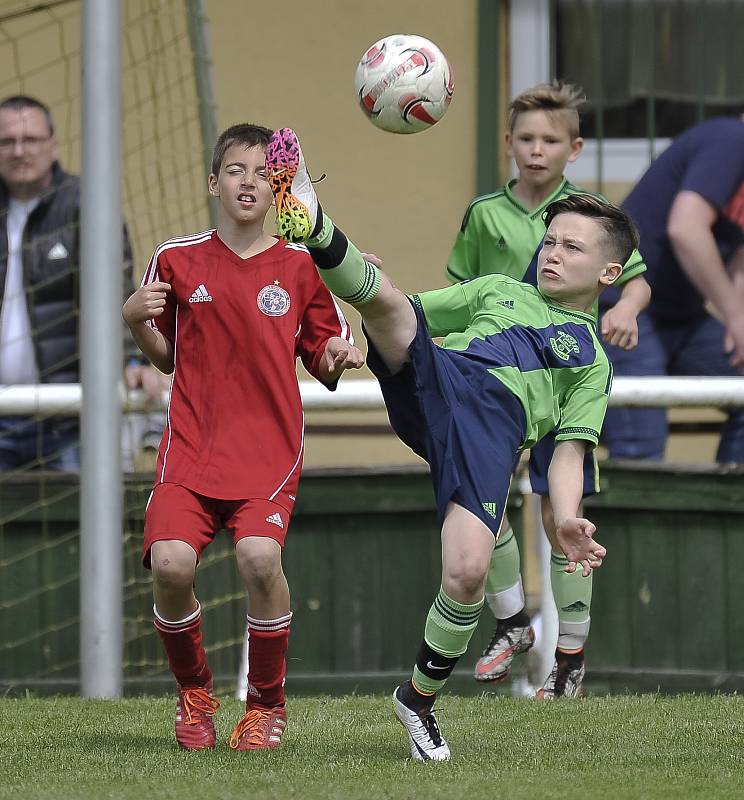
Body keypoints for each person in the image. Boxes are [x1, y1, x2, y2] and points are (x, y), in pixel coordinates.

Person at [265, 127, 636, 760]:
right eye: (548, 241)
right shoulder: (500, 291)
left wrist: (569, 517)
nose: (551, 253)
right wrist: (366, 318)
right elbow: (412, 308)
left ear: (607, 271)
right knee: (384, 304)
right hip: (445, 383)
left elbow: (571, 450)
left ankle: (417, 700)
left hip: (490, 436)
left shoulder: (592, 361)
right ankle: (309, 218)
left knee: (465, 574)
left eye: (570, 247)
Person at [122, 123, 363, 752]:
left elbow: (324, 358)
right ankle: (195, 693)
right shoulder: (176, 259)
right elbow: (165, 357)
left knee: (260, 560)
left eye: (263, 172)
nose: (249, 182)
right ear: (213, 183)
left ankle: (265, 704)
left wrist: (339, 352)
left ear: (281, 188)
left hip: (267, 452)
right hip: (191, 450)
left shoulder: (302, 265)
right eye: (236, 170)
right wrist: (135, 322)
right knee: (170, 566)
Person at [446, 83, 650, 696]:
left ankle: (570, 660)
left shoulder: (587, 215)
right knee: (484, 499)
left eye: (550, 140)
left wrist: (629, 310)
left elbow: (635, 281)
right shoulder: (485, 213)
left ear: (575, 148)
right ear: (508, 144)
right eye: (526, 139)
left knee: (563, 514)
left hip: (566, 375)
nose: (537, 151)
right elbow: (458, 292)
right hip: (502, 380)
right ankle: (512, 623)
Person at [0, 94, 156, 471]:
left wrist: (132, 359)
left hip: (69, 415)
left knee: (83, 523)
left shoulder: (86, 203)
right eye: (7, 142)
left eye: (31, 140)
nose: (19, 151)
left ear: (53, 145)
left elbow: (114, 294)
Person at [601, 115, 744, 461]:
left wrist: (739, 324)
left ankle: (724, 510)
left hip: (681, 319)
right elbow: (687, 227)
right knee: (642, 451)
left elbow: (738, 252)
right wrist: (735, 315)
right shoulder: (731, 139)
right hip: (627, 309)